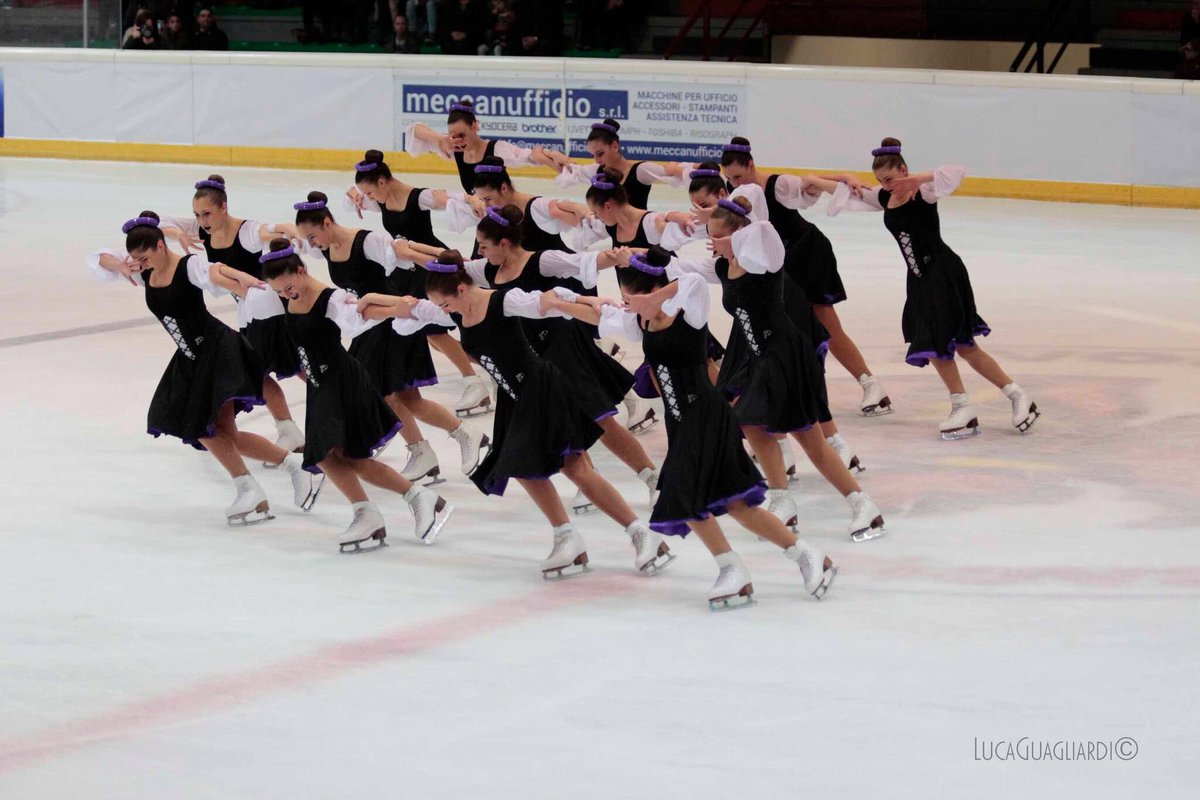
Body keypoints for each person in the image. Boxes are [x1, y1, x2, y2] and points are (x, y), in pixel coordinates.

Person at [543, 248, 837, 608]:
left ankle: (798, 557)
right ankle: (743, 566)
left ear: (653, 290)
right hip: (681, 423)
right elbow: (599, 315)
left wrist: (654, 297)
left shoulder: (689, 314)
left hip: (708, 418)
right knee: (693, 502)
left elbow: (694, 281)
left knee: (729, 504)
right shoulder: (641, 322)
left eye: (632, 298)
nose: (628, 306)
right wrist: (558, 304)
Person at [357, 251, 674, 578]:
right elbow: (404, 311)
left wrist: (588, 300)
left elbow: (547, 299)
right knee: (525, 468)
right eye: (440, 306)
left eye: (446, 304)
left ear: (462, 290)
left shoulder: (503, 302)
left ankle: (638, 535)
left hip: (542, 391)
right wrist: (371, 300)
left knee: (574, 468)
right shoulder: (452, 310)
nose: (442, 311)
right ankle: (570, 536)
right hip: (515, 399)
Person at [672, 197, 887, 543]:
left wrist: (737, 231)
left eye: (719, 236)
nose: (712, 243)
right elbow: (680, 269)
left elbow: (763, 228)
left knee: (809, 440)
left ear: (740, 234)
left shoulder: (763, 261)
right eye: (709, 236)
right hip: (759, 359)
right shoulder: (724, 266)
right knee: (752, 425)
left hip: (786, 356)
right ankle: (781, 499)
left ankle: (863, 504)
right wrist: (637, 258)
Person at [87, 214, 321, 526]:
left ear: (160, 246)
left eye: (144, 257)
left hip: (216, 352)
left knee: (203, 428)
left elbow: (216, 272)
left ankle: (249, 488)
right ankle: (289, 467)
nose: (140, 264)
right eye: (136, 259)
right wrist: (121, 266)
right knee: (224, 435)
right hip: (190, 359)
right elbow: (97, 258)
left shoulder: (188, 266)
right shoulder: (145, 271)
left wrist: (244, 281)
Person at [824, 138, 1040, 439]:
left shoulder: (924, 192)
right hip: (919, 279)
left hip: (942, 273)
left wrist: (917, 179)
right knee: (952, 346)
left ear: (904, 170)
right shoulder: (885, 198)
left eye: (891, 178)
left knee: (953, 344)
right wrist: (845, 178)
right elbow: (835, 190)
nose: (887, 185)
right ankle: (992, 400)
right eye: (881, 181)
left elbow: (956, 171)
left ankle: (990, 401)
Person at [257, 240, 454, 552]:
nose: (287, 294)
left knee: (334, 454)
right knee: (344, 457)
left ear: (302, 270)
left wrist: (396, 308)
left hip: (342, 381)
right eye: (280, 291)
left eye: (290, 286)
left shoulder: (331, 298)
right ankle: (412, 500)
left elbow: (365, 311)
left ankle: (375, 510)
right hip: (321, 385)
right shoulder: (288, 297)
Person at [292, 191, 490, 485]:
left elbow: (407, 253)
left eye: (312, 236)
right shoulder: (327, 248)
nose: (311, 244)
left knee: (384, 393)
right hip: (371, 324)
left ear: (325, 222)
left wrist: (450, 272)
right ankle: (459, 436)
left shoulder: (366, 241)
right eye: (306, 240)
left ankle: (424, 450)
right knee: (408, 397)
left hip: (393, 320)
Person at [155, 176, 307, 458]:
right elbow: (158, 223)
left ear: (224, 207)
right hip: (249, 312)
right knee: (266, 370)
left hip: (270, 309)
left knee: (288, 366)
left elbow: (271, 230)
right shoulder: (203, 229)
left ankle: (334, 406)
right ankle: (289, 428)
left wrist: (287, 228)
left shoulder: (246, 231)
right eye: (197, 215)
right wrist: (178, 235)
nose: (202, 220)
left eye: (207, 213)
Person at [343, 150, 492, 418]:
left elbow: (447, 198)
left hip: (431, 267)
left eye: (369, 192)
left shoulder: (416, 197)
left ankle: (474, 381)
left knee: (436, 331)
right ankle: (487, 369)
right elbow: (354, 194)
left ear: (382, 181)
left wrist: (471, 199)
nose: (368, 199)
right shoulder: (382, 200)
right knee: (429, 334)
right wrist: (355, 195)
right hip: (405, 270)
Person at [546, 119, 688, 209]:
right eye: (594, 155)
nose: (597, 160)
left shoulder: (640, 170)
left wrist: (678, 169)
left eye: (600, 154)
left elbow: (678, 173)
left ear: (614, 146)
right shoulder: (598, 170)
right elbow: (570, 171)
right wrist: (549, 154)